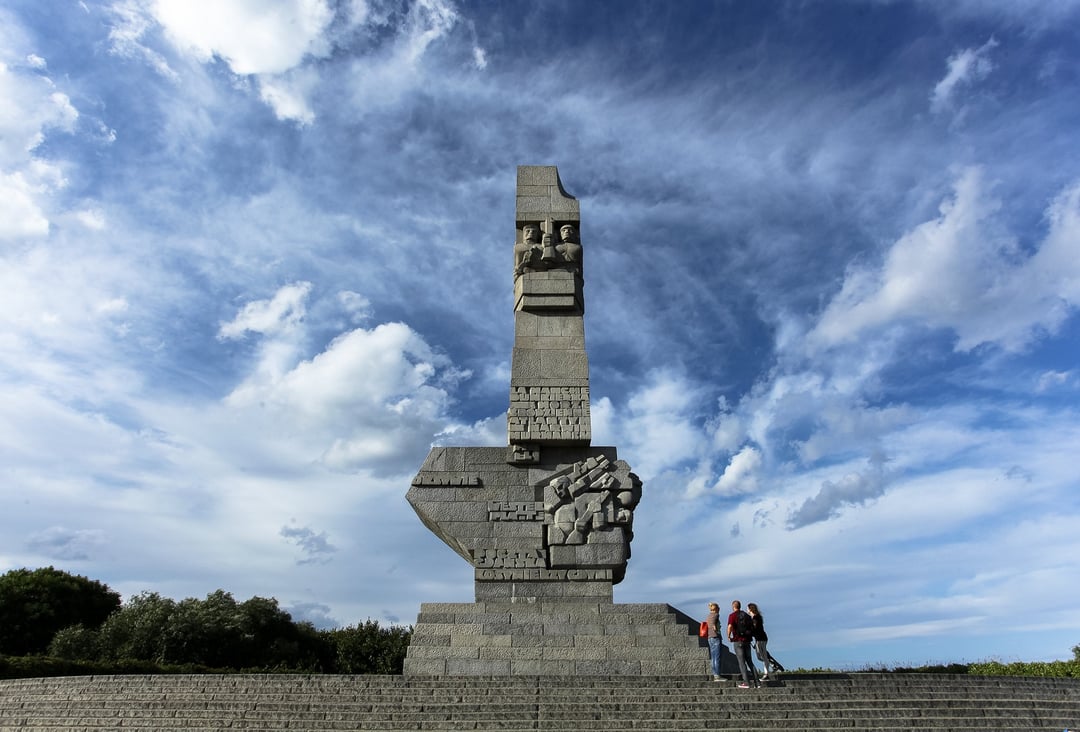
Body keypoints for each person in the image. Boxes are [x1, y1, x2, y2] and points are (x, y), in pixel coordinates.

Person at [727, 600, 760, 689]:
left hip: (738, 641)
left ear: (733, 606)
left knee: (742, 663)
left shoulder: (732, 615)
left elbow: (730, 626)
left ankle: (746, 683)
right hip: (747, 641)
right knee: (750, 661)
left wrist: (729, 636)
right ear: (740, 606)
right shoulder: (747, 615)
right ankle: (757, 682)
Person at [747, 602, 783, 680]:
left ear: (750, 609)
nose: (747, 610)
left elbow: (755, 629)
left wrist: (748, 631)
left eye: (748, 609)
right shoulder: (755, 618)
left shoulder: (756, 618)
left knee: (762, 656)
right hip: (759, 639)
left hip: (761, 639)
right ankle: (773, 665)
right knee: (760, 656)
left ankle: (767, 673)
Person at [705, 602, 723, 681]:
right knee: (717, 657)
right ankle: (717, 675)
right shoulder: (716, 615)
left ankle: (715, 674)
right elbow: (714, 626)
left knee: (713, 657)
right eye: (718, 608)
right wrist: (717, 632)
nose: (719, 609)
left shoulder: (708, 616)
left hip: (709, 637)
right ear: (716, 609)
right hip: (715, 636)